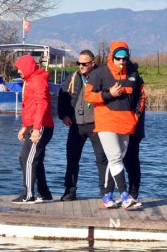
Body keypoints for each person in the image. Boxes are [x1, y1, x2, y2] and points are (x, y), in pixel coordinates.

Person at [85, 41, 145, 209]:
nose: (121, 62)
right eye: (118, 58)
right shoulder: (99, 73)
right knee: (116, 157)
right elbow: (89, 96)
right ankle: (125, 196)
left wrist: (136, 116)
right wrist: (108, 94)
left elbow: (141, 97)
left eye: (124, 59)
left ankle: (107, 196)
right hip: (106, 122)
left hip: (127, 123)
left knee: (115, 161)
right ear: (112, 56)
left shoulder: (133, 74)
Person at [57, 50, 108, 201]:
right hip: (76, 125)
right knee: (72, 159)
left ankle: (106, 193)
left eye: (84, 64)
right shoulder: (73, 77)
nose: (81, 66)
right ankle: (70, 191)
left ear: (93, 63)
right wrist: (64, 115)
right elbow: (62, 97)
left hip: (96, 124)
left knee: (102, 159)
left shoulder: (102, 76)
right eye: (78, 63)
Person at [12, 55, 54, 204]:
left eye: (20, 69)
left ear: (28, 67)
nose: (18, 72)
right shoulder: (30, 81)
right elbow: (30, 107)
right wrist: (25, 127)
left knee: (26, 159)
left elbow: (42, 105)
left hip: (41, 126)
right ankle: (45, 193)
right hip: (34, 125)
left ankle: (29, 194)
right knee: (35, 160)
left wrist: (36, 129)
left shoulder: (37, 81)